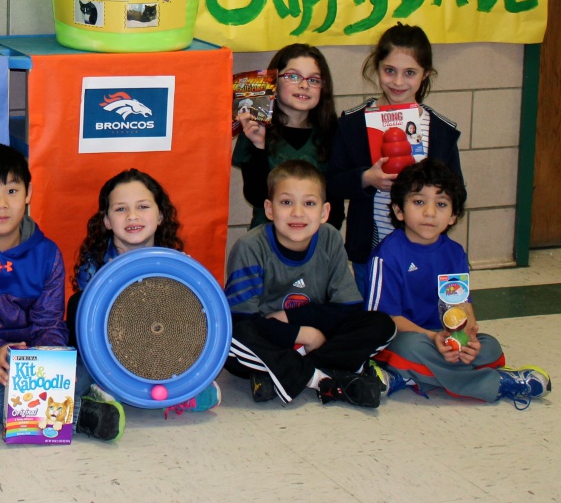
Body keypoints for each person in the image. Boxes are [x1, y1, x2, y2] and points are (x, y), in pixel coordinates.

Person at [0, 141, 125, 442]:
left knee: (87, 365)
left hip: (30, 361)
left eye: (11, 191)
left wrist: (50, 359)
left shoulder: (47, 253)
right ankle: (79, 417)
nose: (1, 204)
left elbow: (49, 323)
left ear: (28, 193)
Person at [367, 159, 551, 407]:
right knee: (412, 348)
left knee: (489, 348)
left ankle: (409, 378)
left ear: (453, 216)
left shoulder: (454, 253)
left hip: (443, 339)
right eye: (419, 202)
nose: (430, 212)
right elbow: (383, 320)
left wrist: (468, 340)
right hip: (402, 339)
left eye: (441, 204)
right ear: (399, 210)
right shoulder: (387, 255)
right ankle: (496, 383)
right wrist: (434, 338)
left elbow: (460, 305)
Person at [224, 160, 397, 407]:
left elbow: (348, 309)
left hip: (315, 336)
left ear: (324, 212)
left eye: (309, 203)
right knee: (230, 337)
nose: (297, 213)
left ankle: (285, 374)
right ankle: (325, 378)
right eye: (286, 202)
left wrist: (293, 319)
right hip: (269, 338)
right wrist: (300, 333)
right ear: (269, 209)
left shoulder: (330, 239)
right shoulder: (250, 246)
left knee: (382, 325)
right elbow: (242, 321)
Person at [69, 168, 221, 418]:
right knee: (78, 305)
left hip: (162, 347)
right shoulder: (93, 265)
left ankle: (178, 388)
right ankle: (107, 385)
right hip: (115, 351)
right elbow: (93, 333)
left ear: (160, 215)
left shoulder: (177, 265)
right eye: (120, 209)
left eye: (143, 207)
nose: (132, 216)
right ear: (106, 221)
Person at [327, 23, 464, 298]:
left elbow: (458, 192)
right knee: (376, 321)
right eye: (390, 70)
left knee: (425, 316)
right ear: (376, 68)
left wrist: (429, 192)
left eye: (410, 73)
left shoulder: (439, 130)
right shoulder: (353, 124)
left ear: (425, 75)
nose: (398, 82)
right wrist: (366, 178)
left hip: (427, 248)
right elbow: (330, 182)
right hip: (371, 249)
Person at [234, 43, 343, 230]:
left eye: (314, 80)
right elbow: (256, 196)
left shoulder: (333, 133)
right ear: (274, 81)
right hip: (266, 241)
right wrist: (258, 145)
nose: (304, 85)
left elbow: (336, 209)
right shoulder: (254, 129)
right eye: (293, 76)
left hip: (316, 241)